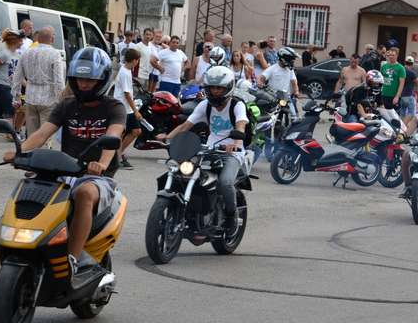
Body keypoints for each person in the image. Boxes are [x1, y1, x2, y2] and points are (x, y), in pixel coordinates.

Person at [3, 47, 125, 277]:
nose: (84, 84)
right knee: (30, 187)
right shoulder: (67, 105)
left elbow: (113, 137)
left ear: (102, 80)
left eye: (90, 79)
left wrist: (101, 164)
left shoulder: (114, 107)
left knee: (85, 194)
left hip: (97, 176)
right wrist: (19, 151)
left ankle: (72, 259)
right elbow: (42, 134)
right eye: (79, 78)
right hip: (66, 170)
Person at [156, 66, 247, 235]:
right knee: (182, 173)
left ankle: (231, 216)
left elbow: (240, 125)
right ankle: (187, 209)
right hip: (208, 149)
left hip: (231, 152)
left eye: (219, 88)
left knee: (225, 182)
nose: (215, 91)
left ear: (228, 88)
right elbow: (186, 125)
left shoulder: (237, 105)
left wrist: (235, 143)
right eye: (212, 88)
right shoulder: (205, 105)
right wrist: (168, 137)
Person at [11, 26, 65, 137]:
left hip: (30, 96)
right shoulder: (55, 54)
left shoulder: (27, 53)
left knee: (32, 134)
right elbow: (59, 80)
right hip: (48, 98)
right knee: (45, 135)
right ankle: (43, 148)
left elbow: (17, 76)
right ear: (52, 39)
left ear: (38, 38)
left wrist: (16, 96)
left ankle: (31, 148)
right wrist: (61, 100)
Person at [113, 48, 142, 169]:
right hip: (123, 107)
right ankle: (118, 156)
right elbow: (127, 94)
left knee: (135, 131)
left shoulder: (127, 70)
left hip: (126, 107)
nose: (137, 62)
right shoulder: (125, 73)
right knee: (126, 132)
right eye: (137, 60)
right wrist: (136, 111)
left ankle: (119, 154)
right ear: (134, 60)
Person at [258, 47, 301, 118]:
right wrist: (260, 83)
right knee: (271, 116)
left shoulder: (290, 70)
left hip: (286, 97)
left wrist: (296, 91)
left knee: (293, 116)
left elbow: (294, 81)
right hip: (273, 97)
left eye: (293, 60)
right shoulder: (273, 68)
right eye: (290, 59)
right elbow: (262, 77)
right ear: (283, 58)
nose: (292, 62)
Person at [400, 56, 418, 125]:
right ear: (412, 64)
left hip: (401, 95)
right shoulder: (412, 73)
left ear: (405, 62)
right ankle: (403, 126)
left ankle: (401, 125)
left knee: (402, 112)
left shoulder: (401, 71)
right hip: (409, 95)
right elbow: (417, 82)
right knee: (411, 113)